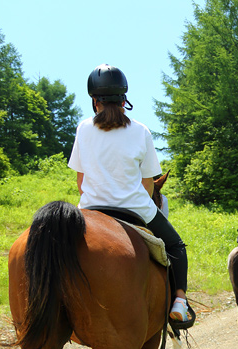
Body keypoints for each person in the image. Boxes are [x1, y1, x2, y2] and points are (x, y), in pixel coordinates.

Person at [68, 64, 189, 321]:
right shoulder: (141, 131)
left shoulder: (84, 128)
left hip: (90, 210)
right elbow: (148, 185)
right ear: (124, 99)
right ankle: (179, 302)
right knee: (176, 245)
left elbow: (80, 183)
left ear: (94, 100)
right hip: (135, 209)